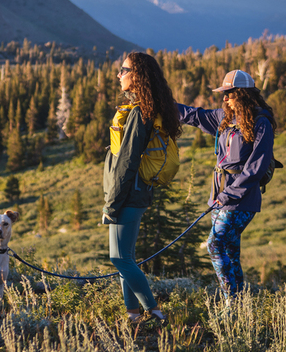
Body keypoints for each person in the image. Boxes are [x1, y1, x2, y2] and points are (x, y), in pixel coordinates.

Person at [177, 69, 276, 301]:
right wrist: (160, 102)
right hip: (219, 198)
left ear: (242, 94)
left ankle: (231, 304)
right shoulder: (225, 119)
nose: (225, 98)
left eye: (229, 93)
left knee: (214, 245)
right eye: (224, 93)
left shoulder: (262, 123)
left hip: (241, 200)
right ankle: (240, 304)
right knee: (230, 251)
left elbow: (256, 167)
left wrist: (229, 194)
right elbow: (194, 115)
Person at [102, 52, 183, 324]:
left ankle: (154, 312)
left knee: (119, 258)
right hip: (132, 193)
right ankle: (133, 314)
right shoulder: (148, 109)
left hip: (129, 194)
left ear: (137, 75)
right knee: (124, 257)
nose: (119, 74)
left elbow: (127, 161)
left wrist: (112, 204)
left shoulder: (140, 114)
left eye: (123, 70)